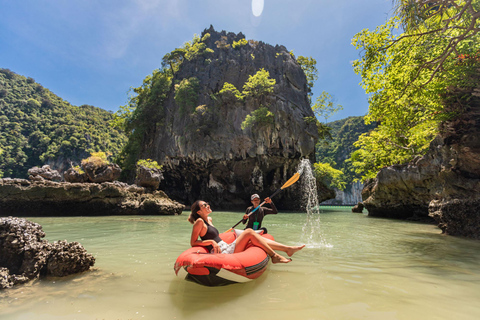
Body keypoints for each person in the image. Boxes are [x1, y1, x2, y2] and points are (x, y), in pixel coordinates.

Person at [188, 200, 305, 264]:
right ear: (198, 212)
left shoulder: (208, 220)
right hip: (223, 251)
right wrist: (211, 242)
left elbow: (213, 235)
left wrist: (217, 238)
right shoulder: (199, 222)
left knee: (253, 239)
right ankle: (275, 256)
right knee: (249, 231)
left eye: (207, 203)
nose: (208, 205)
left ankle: (287, 249)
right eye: (204, 205)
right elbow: (193, 243)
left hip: (226, 246)